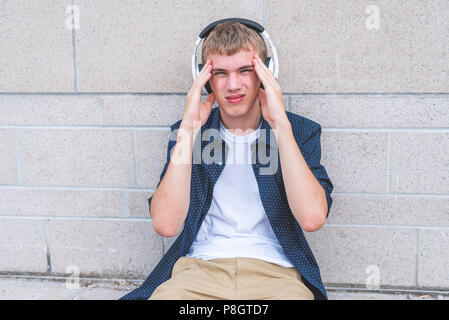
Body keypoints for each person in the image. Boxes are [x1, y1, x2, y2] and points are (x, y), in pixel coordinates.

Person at [120, 20, 334, 300]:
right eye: (220, 73)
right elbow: (166, 225)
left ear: (266, 72)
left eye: (245, 70)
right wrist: (187, 131)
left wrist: (280, 125)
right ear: (205, 78)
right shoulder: (191, 133)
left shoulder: (300, 131)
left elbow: (312, 218)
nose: (233, 85)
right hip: (199, 271)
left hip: (276, 274)